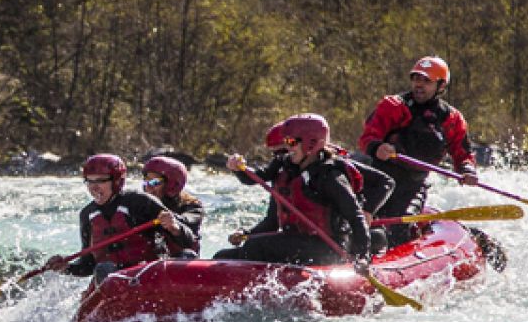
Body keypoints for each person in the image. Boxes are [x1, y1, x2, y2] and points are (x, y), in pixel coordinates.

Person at [213, 113, 371, 266]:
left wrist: (363, 257)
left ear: (311, 142)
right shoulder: (287, 169)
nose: (288, 148)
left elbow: (356, 217)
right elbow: (255, 179)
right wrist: (238, 168)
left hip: (328, 249)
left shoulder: (330, 177)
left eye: (291, 142)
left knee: (256, 247)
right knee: (222, 256)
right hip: (298, 243)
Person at [357, 56, 478, 246]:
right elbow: (367, 138)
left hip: (413, 186)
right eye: (416, 79)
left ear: (440, 86)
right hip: (379, 181)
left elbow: (462, 153)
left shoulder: (451, 119)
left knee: (399, 231)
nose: (419, 85)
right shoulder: (393, 106)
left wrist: (466, 170)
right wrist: (377, 147)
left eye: (426, 81)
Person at [44, 154, 190, 281]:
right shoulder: (87, 215)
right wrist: (66, 268)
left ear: (116, 181)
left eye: (101, 181)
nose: (94, 187)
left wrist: (175, 228)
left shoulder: (140, 201)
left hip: (148, 272)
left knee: (187, 255)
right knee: (103, 268)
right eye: (90, 181)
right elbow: (88, 265)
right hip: (112, 278)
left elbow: (187, 240)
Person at [141, 156, 204, 258]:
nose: (148, 187)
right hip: (151, 260)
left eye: (154, 182)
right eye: (146, 181)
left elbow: (187, 220)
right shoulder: (141, 204)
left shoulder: (193, 206)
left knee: (187, 254)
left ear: (172, 184)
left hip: (181, 259)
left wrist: (173, 223)